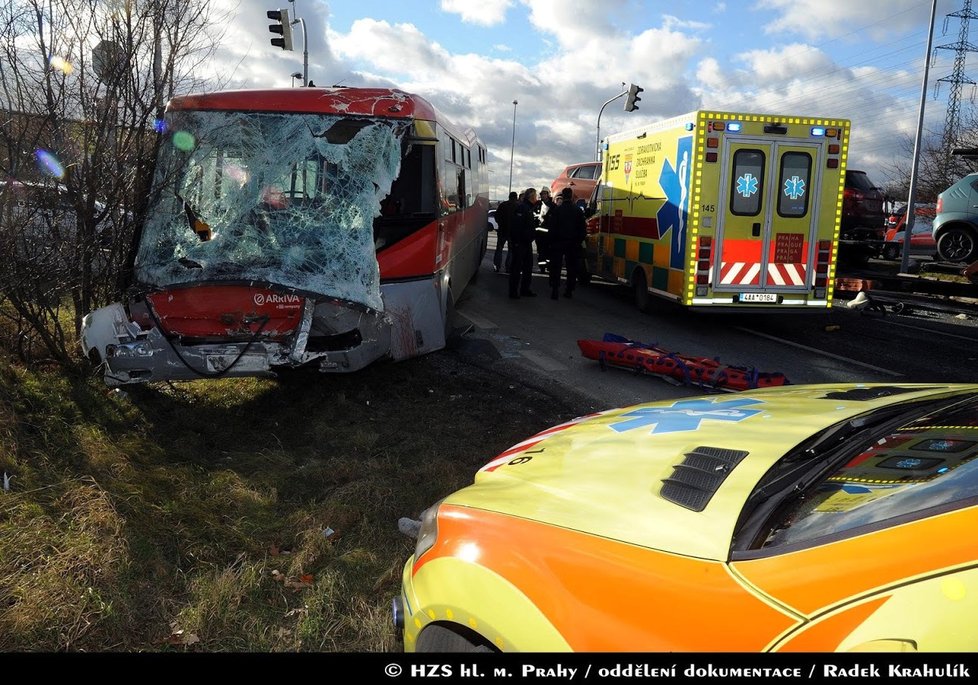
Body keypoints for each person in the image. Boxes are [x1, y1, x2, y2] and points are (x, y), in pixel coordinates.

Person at [547, 187, 587, 299]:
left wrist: (551, 242)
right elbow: (582, 230)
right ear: (572, 196)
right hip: (573, 243)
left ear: (563, 196)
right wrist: (578, 241)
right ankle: (569, 290)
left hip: (558, 242)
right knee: (571, 268)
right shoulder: (578, 211)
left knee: (556, 267)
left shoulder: (557, 210)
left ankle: (555, 290)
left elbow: (552, 228)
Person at [508, 187, 538, 299]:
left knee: (528, 267)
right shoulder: (522, 208)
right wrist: (516, 241)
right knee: (516, 268)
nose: (537, 197)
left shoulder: (529, 208)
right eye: (536, 195)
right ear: (532, 197)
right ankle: (513, 291)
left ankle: (525, 289)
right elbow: (517, 227)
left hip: (526, 243)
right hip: (520, 243)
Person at [493, 191, 517, 273]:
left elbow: (496, 216)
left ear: (509, 196)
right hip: (513, 232)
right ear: (516, 197)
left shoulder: (503, 205)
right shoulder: (517, 206)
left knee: (499, 249)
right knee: (511, 250)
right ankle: (508, 267)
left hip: (502, 231)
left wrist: (500, 224)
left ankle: (497, 266)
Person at [535, 188, 555, 273]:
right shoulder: (537, 205)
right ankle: (542, 267)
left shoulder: (553, 206)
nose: (543, 195)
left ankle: (549, 266)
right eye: (542, 194)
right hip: (539, 233)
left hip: (549, 234)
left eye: (544, 194)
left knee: (549, 251)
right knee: (540, 251)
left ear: (548, 194)